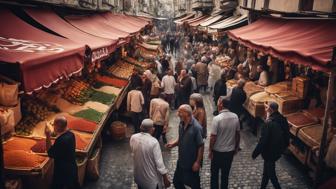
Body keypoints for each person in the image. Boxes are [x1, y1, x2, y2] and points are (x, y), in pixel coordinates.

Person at [252, 102, 290, 189]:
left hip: (270, 152)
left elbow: (263, 141)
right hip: (278, 150)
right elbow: (287, 134)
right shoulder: (283, 119)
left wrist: (255, 153)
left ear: (270, 109)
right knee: (266, 172)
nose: (266, 109)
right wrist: (284, 147)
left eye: (267, 108)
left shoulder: (268, 123)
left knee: (271, 174)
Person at [166, 104, 204, 189]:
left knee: (195, 185)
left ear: (187, 113)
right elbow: (181, 138)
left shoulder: (196, 128)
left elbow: (201, 146)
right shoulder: (181, 123)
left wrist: (197, 162)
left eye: (180, 112)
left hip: (191, 162)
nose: (177, 113)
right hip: (181, 161)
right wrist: (174, 144)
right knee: (177, 182)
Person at [130, 119, 171, 189]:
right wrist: (165, 179)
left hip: (138, 177)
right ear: (152, 129)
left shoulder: (133, 137)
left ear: (140, 127)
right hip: (151, 181)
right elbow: (160, 164)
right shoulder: (153, 142)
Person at [209, 98, 240, 189]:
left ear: (221, 104)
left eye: (218, 103)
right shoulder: (235, 116)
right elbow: (237, 134)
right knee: (225, 175)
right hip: (229, 151)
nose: (217, 104)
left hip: (217, 151)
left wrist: (210, 150)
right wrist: (236, 147)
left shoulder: (217, 119)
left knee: (214, 174)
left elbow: (213, 137)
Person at [45, 116, 80, 189]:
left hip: (63, 171)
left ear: (58, 127)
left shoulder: (61, 141)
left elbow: (50, 153)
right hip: (72, 167)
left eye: (54, 125)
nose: (53, 127)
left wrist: (48, 135)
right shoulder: (71, 134)